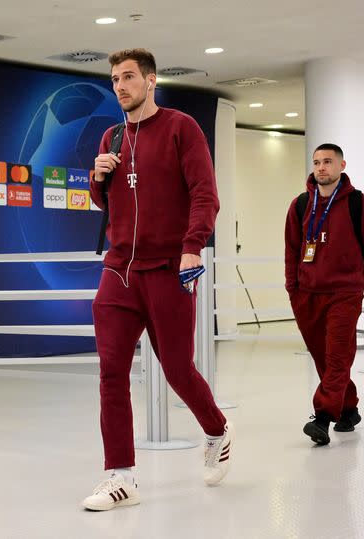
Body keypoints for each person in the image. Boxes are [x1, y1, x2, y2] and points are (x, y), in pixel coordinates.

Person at [83, 48, 234, 511]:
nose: (120, 86)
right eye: (114, 79)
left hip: (168, 269)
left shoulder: (180, 128)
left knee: (176, 370)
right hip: (118, 270)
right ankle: (120, 476)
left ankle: (216, 429)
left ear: (151, 81)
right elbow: (104, 202)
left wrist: (192, 246)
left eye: (128, 77)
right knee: (111, 371)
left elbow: (205, 194)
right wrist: (96, 177)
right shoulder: (111, 136)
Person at [284, 143, 364, 445]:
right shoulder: (300, 204)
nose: (321, 167)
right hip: (307, 294)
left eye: (328, 161)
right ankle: (348, 408)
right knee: (324, 359)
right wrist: (293, 287)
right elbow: (291, 250)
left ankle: (323, 417)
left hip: (345, 293)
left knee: (338, 355)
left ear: (342, 165)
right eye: (316, 162)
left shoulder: (359, 204)